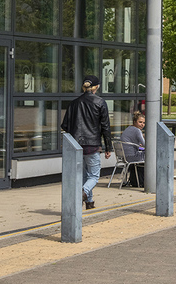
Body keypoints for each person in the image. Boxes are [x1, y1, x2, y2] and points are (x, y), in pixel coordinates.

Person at [61, 75, 112, 209]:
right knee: (94, 176)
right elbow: (105, 127)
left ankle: (89, 202)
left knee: (84, 175)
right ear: (97, 87)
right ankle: (82, 193)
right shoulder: (100, 102)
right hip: (92, 145)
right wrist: (108, 147)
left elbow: (65, 125)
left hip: (75, 145)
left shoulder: (74, 103)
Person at [119, 112, 146, 188]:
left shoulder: (128, 128)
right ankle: (147, 180)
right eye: (140, 122)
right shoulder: (137, 131)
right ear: (134, 122)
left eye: (144, 123)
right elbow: (145, 144)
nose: (142, 124)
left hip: (125, 156)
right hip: (132, 157)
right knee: (151, 155)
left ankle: (136, 180)